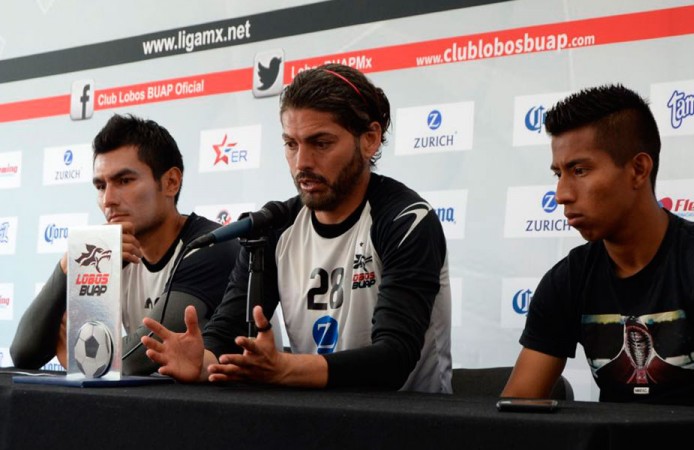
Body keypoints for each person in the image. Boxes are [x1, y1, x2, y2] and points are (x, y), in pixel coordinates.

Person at [141, 63, 453, 393]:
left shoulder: (406, 220)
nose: (302, 162)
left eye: (321, 143)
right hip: (314, 414)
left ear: (370, 139)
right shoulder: (272, 227)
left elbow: (394, 360)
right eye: (291, 144)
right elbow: (228, 332)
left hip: (406, 417)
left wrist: (285, 368)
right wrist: (203, 362)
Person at [501, 84, 694, 409]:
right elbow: (515, 411)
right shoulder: (568, 280)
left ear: (638, 170)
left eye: (579, 170)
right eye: (558, 174)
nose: (561, 194)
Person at [10, 114, 241, 376]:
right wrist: (68, 265)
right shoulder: (109, 252)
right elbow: (24, 354)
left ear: (171, 182)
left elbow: (137, 358)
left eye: (124, 181)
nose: (107, 200)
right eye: (100, 186)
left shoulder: (211, 246)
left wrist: (79, 359)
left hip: (243, 399)